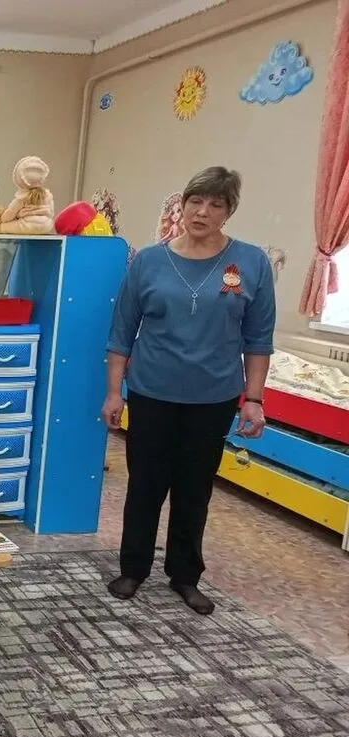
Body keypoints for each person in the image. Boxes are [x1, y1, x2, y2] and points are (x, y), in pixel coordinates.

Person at [101, 166, 275, 616]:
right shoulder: (148, 261)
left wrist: (254, 399)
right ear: (182, 205)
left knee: (194, 489)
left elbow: (259, 338)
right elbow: (122, 332)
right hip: (153, 391)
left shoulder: (251, 262)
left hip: (213, 397)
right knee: (145, 485)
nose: (202, 211)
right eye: (195, 201)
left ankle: (184, 575)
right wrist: (114, 392)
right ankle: (133, 568)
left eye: (216, 204)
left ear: (228, 211)